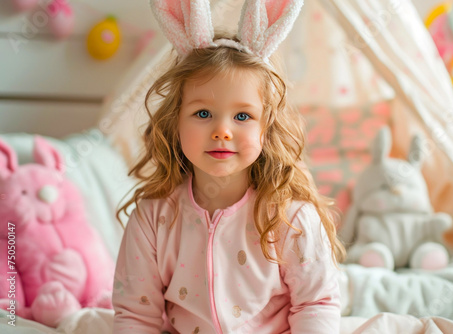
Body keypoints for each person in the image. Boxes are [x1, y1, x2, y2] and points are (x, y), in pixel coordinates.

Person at [113, 0, 345, 333]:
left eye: (242, 116)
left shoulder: (290, 219)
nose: (222, 131)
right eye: (203, 114)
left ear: (265, 129)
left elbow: (316, 305)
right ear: (175, 122)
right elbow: (136, 316)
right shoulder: (152, 219)